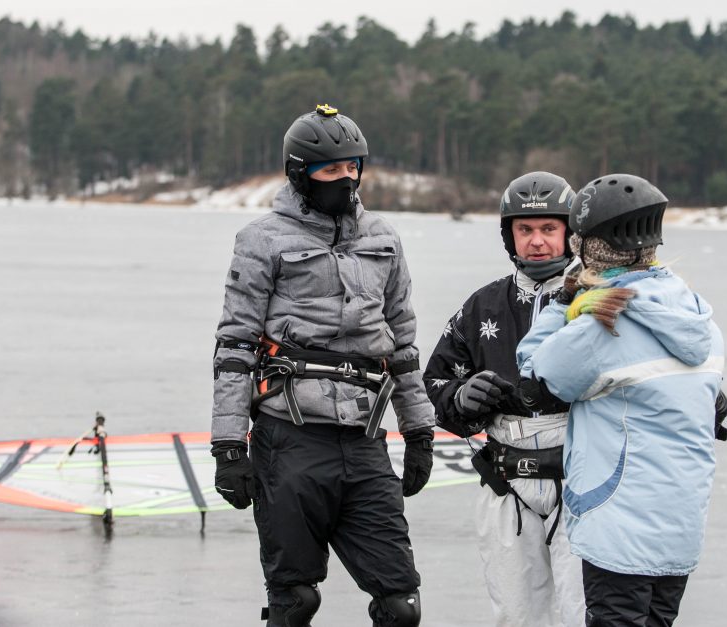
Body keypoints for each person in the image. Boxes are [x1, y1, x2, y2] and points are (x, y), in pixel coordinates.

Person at [210, 104, 435, 627]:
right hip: (288, 442)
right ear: (299, 172)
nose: (346, 178)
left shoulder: (384, 238)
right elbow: (235, 346)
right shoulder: (261, 240)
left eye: (353, 166)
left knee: (401, 605)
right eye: (331, 169)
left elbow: (402, 344)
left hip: (364, 443)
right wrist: (227, 446)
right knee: (296, 601)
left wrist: (420, 430)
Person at [516, 174, 727, 627]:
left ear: (588, 246)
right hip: (681, 526)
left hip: (619, 527)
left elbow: (534, 371)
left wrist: (567, 306)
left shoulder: (602, 325)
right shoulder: (698, 316)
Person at [423, 171, 586, 627]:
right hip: (506, 484)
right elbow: (433, 384)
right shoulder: (483, 306)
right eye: (525, 230)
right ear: (508, 235)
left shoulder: (597, 301)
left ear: (570, 233)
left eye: (549, 229)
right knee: (516, 617)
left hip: (583, 482)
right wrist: (462, 397)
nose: (537, 241)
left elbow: (643, 371)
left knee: (586, 614)